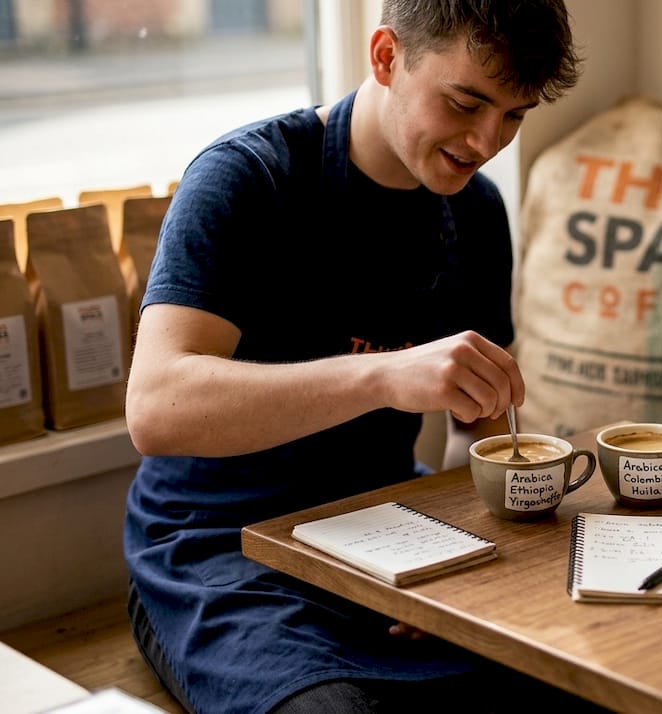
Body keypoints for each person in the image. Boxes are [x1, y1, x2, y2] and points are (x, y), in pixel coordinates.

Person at [122, 1, 588, 712]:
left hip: (388, 535)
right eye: (466, 102)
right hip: (221, 553)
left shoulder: (477, 212)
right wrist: (383, 376)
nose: (488, 139)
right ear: (384, 57)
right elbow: (156, 408)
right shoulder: (246, 178)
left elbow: (479, 429)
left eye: (514, 116)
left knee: (587, 677)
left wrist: (459, 550)